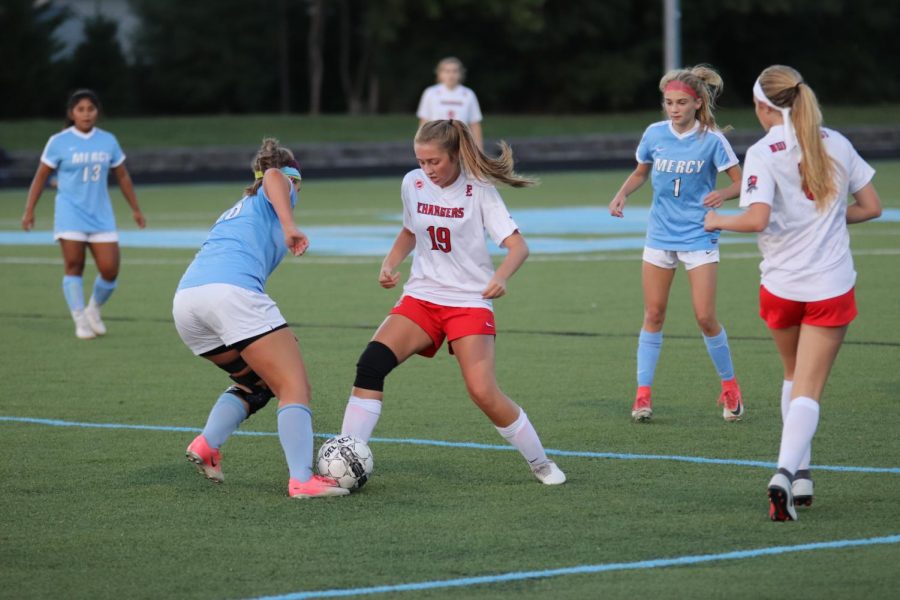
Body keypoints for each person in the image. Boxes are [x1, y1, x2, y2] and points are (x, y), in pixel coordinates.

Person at [339, 119, 565, 485]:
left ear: (455, 155)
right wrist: (390, 262)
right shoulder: (412, 183)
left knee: (482, 391)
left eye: (435, 162)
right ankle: (348, 459)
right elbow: (410, 231)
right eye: (421, 162)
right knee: (371, 364)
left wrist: (501, 276)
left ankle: (541, 463)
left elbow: (517, 247)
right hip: (422, 296)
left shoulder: (479, 190)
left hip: (468, 302)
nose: (427, 170)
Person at [704, 65, 881, 521]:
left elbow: (757, 219)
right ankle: (785, 471)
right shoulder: (836, 141)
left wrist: (718, 220)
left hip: (781, 286)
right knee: (809, 388)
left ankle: (802, 473)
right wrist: (825, 221)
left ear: (765, 106)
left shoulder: (764, 151)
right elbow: (872, 207)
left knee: (791, 376)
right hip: (830, 285)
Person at [172, 138, 347, 499]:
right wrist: (289, 225)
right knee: (294, 387)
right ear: (294, 180)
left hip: (187, 303)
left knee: (259, 385)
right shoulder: (278, 187)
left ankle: (207, 444)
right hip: (231, 295)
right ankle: (301, 479)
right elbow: (272, 176)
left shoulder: (238, 208)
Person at [608, 65, 744, 423]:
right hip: (660, 235)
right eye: (668, 102)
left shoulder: (712, 139)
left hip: (699, 235)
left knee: (705, 317)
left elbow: (741, 183)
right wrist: (621, 194)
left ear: (697, 103)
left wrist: (723, 194)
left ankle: (730, 386)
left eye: (681, 102)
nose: (674, 108)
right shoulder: (654, 134)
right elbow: (641, 171)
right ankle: (642, 396)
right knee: (653, 314)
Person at [21, 89, 145, 339]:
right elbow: (41, 177)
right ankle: (80, 320)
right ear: (71, 113)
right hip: (70, 214)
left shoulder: (108, 140)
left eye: (91, 109)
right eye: (81, 109)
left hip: (101, 216)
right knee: (74, 266)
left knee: (110, 270)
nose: (86, 114)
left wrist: (135, 209)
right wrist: (29, 210)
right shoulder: (58, 141)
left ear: (97, 112)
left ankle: (93, 310)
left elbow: (121, 175)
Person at [417, 57, 484, 149]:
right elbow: (424, 122)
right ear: (440, 73)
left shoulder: (468, 94)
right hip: (437, 143)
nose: (451, 75)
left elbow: (475, 124)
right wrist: (422, 145)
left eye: (455, 71)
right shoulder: (430, 93)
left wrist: (479, 150)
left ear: (460, 74)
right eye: (447, 71)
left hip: (461, 143)